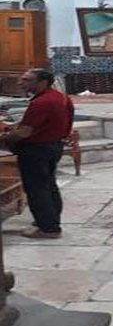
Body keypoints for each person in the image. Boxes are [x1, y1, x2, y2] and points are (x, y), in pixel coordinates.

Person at [0, 69, 73, 238]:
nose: (20, 83)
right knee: (49, 185)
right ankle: (50, 220)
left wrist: (6, 138)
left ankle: (48, 229)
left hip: (36, 150)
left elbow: (24, 132)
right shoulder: (61, 97)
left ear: (42, 82)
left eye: (26, 80)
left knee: (36, 189)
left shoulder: (41, 102)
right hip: (54, 146)